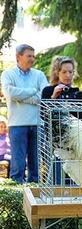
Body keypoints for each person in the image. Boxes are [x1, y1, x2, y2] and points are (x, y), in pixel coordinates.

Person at [0, 44, 48, 184]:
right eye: (29, 56)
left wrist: (21, 96)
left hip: (37, 124)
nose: (32, 59)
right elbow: (10, 93)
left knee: (35, 166)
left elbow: (44, 96)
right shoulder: (8, 74)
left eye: (33, 56)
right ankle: (18, 197)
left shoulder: (39, 75)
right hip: (17, 125)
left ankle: (34, 197)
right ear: (18, 57)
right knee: (18, 165)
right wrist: (33, 90)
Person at [41, 56, 82, 185]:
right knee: (55, 172)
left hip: (74, 140)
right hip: (53, 140)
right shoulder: (48, 91)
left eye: (70, 72)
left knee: (75, 173)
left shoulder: (78, 93)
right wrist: (53, 97)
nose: (68, 75)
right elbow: (43, 115)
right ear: (57, 72)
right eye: (64, 72)